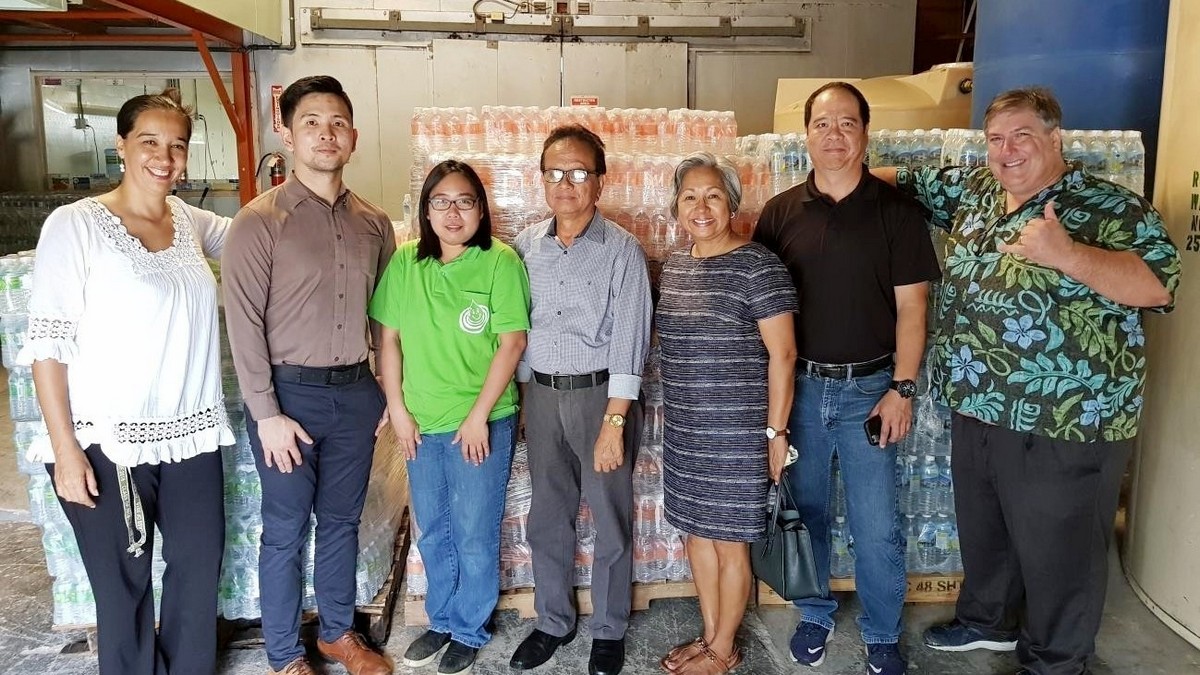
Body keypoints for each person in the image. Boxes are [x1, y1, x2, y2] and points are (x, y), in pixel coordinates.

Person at [873, 87, 1180, 675]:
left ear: (1054, 138)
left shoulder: (1108, 207)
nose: (1007, 151)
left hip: (1067, 414)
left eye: (1022, 137)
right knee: (986, 529)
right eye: (996, 139)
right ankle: (989, 621)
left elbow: (1157, 287)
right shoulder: (977, 192)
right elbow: (898, 179)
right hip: (980, 402)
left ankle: (1057, 658)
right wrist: (833, 174)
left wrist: (1068, 254)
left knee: (1059, 547)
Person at [19, 89, 233, 674]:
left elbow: (259, 237)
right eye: (150, 142)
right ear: (121, 146)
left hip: (189, 433)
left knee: (197, 568)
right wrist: (66, 451)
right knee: (123, 585)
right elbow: (47, 345)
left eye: (177, 146)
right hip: (107, 439)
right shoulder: (77, 225)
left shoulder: (189, 221)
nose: (165, 157)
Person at [753, 81, 942, 675]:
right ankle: (813, 612)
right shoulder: (780, 213)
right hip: (802, 390)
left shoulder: (897, 215)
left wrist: (902, 387)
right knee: (803, 510)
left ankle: (882, 632)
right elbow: (763, 313)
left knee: (876, 520)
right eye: (822, 124)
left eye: (847, 123)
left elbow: (914, 308)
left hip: (870, 389)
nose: (834, 135)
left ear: (865, 132)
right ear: (805, 134)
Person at [222, 75, 396, 675]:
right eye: (312, 123)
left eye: (338, 123)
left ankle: (338, 634)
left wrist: (385, 399)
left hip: (355, 394)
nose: (326, 133)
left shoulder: (375, 225)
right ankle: (285, 654)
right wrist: (266, 415)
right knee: (287, 527)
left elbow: (386, 324)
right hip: (286, 397)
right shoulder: (258, 221)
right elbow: (243, 324)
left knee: (343, 520)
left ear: (353, 137)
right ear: (287, 133)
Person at [369, 160, 530, 675]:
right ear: (427, 210)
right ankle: (441, 618)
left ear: (481, 210)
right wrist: (397, 409)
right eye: (441, 201)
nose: (453, 212)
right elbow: (387, 339)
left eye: (464, 201)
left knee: (473, 531)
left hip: (478, 425)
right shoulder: (407, 263)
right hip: (420, 423)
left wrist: (480, 416)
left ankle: (468, 626)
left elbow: (513, 343)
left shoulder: (500, 263)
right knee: (432, 529)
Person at [508, 124, 653, 675]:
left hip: (600, 398)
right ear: (541, 179)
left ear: (600, 181)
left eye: (579, 173)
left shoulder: (621, 251)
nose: (566, 184)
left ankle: (609, 629)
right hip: (542, 394)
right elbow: (519, 329)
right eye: (555, 173)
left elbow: (630, 341)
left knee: (610, 518)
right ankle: (553, 622)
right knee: (548, 516)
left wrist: (614, 422)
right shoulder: (526, 246)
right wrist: (524, 400)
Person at [655, 152, 798, 675]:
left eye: (713, 194)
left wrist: (776, 433)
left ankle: (722, 650)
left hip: (739, 432)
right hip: (688, 431)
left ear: (732, 203)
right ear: (676, 207)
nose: (701, 205)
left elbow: (784, 355)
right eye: (690, 196)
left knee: (730, 543)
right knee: (697, 535)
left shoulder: (759, 266)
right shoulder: (674, 266)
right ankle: (713, 636)